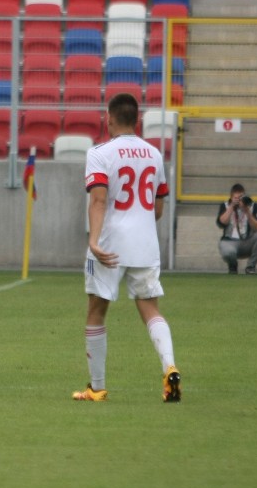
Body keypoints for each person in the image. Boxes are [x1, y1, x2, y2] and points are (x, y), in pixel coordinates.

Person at [74, 93, 181, 402]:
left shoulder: (100, 152)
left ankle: (97, 387)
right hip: (145, 242)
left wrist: (94, 241)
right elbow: (158, 208)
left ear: (109, 118)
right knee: (150, 308)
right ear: (137, 120)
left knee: (97, 310)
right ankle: (170, 367)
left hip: (109, 245)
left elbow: (98, 199)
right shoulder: (154, 154)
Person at [216, 183, 257, 275]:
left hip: (247, 241)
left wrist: (247, 211)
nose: (239, 200)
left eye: (241, 197)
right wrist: (231, 206)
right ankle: (233, 265)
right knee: (226, 249)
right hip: (230, 242)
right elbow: (221, 223)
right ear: (231, 197)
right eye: (236, 198)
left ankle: (250, 266)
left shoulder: (253, 206)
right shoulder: (225, 206)